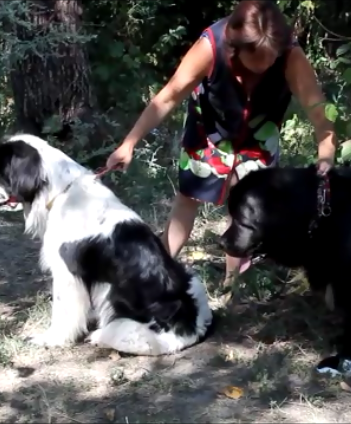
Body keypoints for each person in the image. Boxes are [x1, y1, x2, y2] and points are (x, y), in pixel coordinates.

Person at [105, 0, 337, 291]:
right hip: (208, 130)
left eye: (271, 60)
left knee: (247, 207)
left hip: (259, 135)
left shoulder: (290, 55)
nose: (265, 68)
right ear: (235, 47)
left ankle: (232, 288)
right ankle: (157, 276)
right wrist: (130, 142)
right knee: (188, 198)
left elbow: (319, 112)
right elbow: (168, 96)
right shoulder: (210, 46)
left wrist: (325, 158)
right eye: (257, 62)